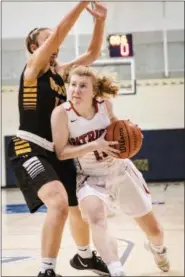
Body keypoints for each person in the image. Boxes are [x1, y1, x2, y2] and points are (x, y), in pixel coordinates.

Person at [8, 2, 109, 277]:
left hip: (58, 149)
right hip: (28, 146)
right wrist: (80, 4)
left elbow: (92, 54)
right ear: (34, 47)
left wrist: (100, 20)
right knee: (58, 203)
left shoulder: (60, 73)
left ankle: (85, 257)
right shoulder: (34, 68)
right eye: (47, 38)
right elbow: (60, 34)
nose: (56, 42)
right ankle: (47, 270)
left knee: (77, 207)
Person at [51, 65, 170, 276]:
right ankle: (116, 270)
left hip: (119, 171)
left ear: (94, 91)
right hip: (90, 177)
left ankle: (158, 250)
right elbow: (61, 152)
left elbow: (117, 128)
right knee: (95, 217)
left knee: (155, 231)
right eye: (73, 85)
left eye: (82, 86)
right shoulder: (61, 114)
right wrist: (94, 145)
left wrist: (130, 132)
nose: (76, 90)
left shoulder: (104, 105)